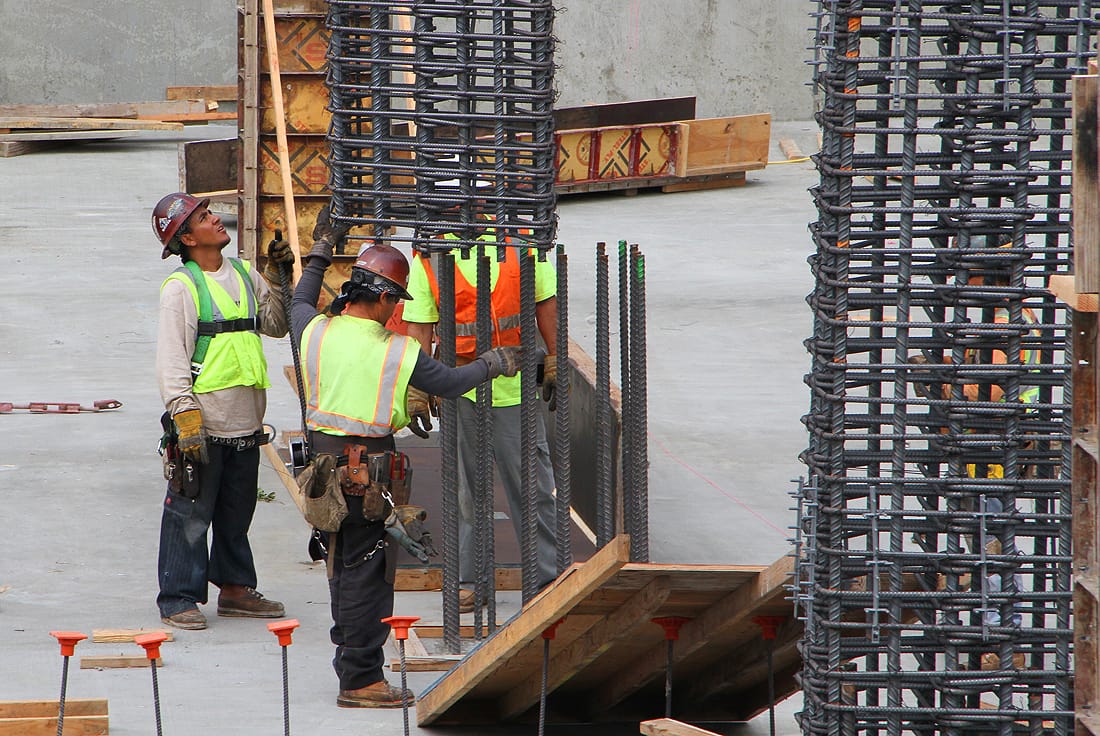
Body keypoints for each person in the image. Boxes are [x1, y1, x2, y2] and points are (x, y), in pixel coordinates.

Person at [288, 212, 520, 708]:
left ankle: (350, 664)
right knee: (368, 574)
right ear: (387, 299)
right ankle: (361, 680)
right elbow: (453, 383)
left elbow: (301, 298)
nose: (396, 310)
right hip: (366, 473)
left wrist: (321, 250)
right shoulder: (396, 349)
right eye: (396, 300)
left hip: (323, 468)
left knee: (342, 567)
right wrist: (494, 363)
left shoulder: (314, 329)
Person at [151, 192, 290, 631]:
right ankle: (178, 597)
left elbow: (276, 326)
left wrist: (278, 276)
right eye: (206, 217)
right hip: (203, 424)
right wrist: (184, 417)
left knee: (236, 511)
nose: (217, 220)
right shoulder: (182, 288)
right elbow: (171, 360)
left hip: (245, 420)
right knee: (190, 513)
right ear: (188, 238)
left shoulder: (246, 274)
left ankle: (234, 589)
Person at [402, 230, 559, 612]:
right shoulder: (430, 253)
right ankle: (470, 581)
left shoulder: (520, 244)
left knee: (532, 489)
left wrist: (555, 355)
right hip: (461, 389)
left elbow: (547, 303)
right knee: (466, 494)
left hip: (514, 387)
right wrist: (419, 386)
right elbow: (420, 325)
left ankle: (547, 579)